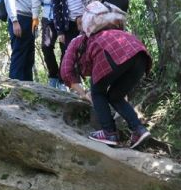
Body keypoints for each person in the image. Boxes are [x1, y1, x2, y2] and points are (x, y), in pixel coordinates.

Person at [60, 21, 152, 149]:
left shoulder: (75, 42)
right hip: (140, 54)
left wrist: (84, 94)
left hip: (112, 51)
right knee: (116, 96)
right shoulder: (103, 34)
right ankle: (139, 130)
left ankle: (109, 133)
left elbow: (65, 71)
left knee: (97, 92)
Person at [32, 0, 64, 89]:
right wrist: (35, 18)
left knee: (66, 47)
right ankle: (53, 76)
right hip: (47, 13)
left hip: (64, 12)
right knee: (46, 46)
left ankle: (64, 79)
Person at [3, 0, 35, 81]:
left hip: (29, 20)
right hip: (19, 19)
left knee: (29, 56)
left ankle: (29, 87)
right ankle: (15, 86)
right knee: (19, 53)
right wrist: (14, 20)